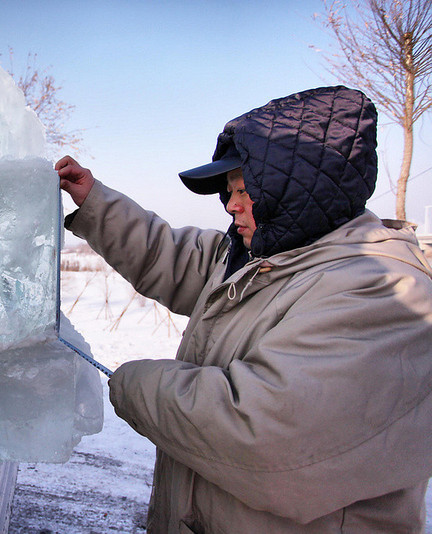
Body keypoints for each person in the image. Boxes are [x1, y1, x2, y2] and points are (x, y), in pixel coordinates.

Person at [57, 86, 432, 533]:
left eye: (244, 189)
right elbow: (171, 255)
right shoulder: (268, 257)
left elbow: (262, 434)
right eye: (230, 190)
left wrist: (132, 384)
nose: (231, 204)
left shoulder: (382, 292)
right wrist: (94, 200)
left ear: (298, 188)